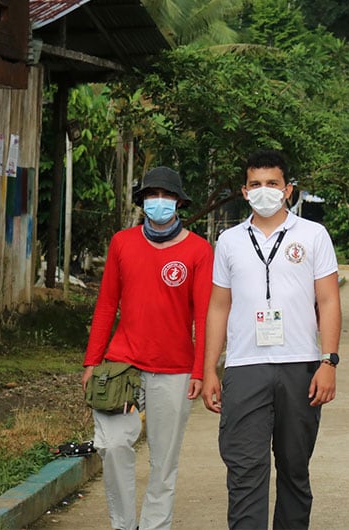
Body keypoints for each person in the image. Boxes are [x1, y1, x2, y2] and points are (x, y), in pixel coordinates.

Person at [201, 150, 342, 529]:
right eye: (256, 184)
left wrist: (328, 361)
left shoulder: (313, 235)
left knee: (294, 467)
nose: (264, 191)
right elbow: (219, 306)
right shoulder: (229, 241)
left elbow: (329, 300)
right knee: (244, 468)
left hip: (300, 365)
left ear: (288, 189)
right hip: (245, 367)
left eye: (272, 184)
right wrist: (210, 369)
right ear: (245, 191)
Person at [83, 167, 213, 530]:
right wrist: (92, 361)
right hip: (122, 365)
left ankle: (155, 526)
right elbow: (107, 305)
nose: (159, 201)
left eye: (167, 195)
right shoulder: (122, 243)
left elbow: (204, 317)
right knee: (112, 445)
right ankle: (123, 524)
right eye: (152, 195)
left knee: (164, 461)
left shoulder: (199, 250)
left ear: (179, 202)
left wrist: (201, 370)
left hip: (175, 368)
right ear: (142, 202)